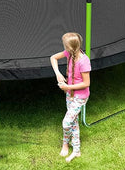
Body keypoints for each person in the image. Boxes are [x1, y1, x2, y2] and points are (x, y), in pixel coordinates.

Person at [50, 32, 91, 162]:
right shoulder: (69, 54)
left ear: (71, 47)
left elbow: (86, 83)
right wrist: (58, 73)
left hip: (80, 97)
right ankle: (75, 149)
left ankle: (65, 142)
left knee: (67, 122)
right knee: (73, 122)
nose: (64, 48)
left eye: (65, 46)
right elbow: (53, 58)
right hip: (70, 94)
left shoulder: (84, 61)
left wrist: (68, 87)